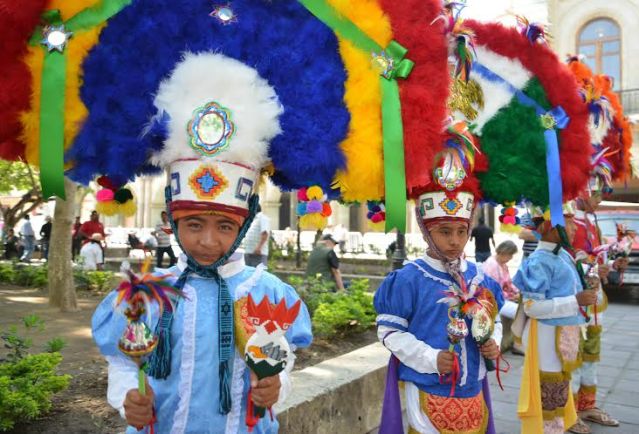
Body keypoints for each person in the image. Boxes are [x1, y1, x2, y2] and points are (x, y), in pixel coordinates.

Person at [90, 40, 315, 433]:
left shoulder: (269, 294)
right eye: (194, 224)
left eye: (225, 226)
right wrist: (127, 398)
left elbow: (283, 362)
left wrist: (277, 386)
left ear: (245, 224)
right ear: (172, 222)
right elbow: (125, 361)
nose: (208, 241)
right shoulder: (144, 294)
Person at [375, 126, 504, 433]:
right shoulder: (408, 279)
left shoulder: (479, 276)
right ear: (426, 230)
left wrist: (494, 342)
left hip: (472, 390)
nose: (455, 241)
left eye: (461, 231)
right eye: (445, 231)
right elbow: (389, 332)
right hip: (427, 387)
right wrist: (432, 358)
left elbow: (494, 320)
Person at [514, 206, 594, 433]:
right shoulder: (538, 261)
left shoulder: (563, 255)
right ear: (548, 227)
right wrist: (575, 300)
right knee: (549, 389)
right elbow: (532, 307)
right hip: (547, 335)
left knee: (559, 388)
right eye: (567, 222)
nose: (573, 226)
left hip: (565, 333)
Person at [567, 191, 626, 433]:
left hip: (594, 301)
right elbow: (567, 260)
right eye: (598, 194)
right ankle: (568, 411)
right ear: (583, 193)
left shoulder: (591, 221)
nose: (600, 200)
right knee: (574, 357)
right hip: (576, 301)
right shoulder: (569, 221)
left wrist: (611, 265)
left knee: (591, 355)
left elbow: (595, 257)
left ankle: (587, 405)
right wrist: (594, 268)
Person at [481, 240, 524, 354]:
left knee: (524, 307)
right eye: (510, 254)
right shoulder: (492, 265)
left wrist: (516, 292)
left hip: (503, 298)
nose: (510, 258)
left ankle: (514, 342)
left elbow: (509, 283)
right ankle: (516, 344)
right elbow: (492, 291)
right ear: (504, 252)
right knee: (520, 312)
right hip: (494, 301)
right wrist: (511, 296)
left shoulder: (502, 264)